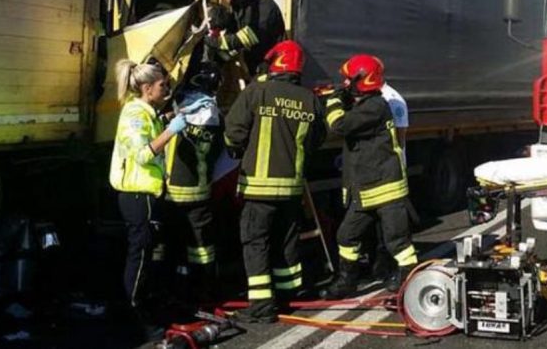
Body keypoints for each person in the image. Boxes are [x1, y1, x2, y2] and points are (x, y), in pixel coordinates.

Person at [224, 40, 326, 323]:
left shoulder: (257, 92)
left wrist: (237, 149)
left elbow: (233, 133)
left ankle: (262, 307)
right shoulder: (310, 99)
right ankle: (288, 297)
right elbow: (318, 139)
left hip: (258, 188)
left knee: (256, 243)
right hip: (291, 189)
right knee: (286, 241)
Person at [109, 59, 203, 339]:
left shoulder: (146, 111)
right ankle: (137, 315)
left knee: (147, 256)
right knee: (139, 258)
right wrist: (171, 130)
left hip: (147, 195)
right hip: (139, 196)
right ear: (148, 88)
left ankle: (145, 307)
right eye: (163, 85)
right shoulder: (135, 113)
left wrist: (164, 121)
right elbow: (142, 154)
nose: (167, 89)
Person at [322, 55, 417, 298]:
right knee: (346, 236)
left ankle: (409, 276)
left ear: (362, 80)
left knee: (397, 241)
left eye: (348, 79)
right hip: (365, 189)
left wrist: (334, 99)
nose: (344, 83)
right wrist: (345, 95)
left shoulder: (375, 107)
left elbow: (339, 125)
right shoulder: (366, 105)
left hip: (384, 187)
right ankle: (346, 281)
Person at [163, 62, 222, 302]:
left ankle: (171, 286)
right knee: (201, 247)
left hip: (172, 191)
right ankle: (204, 289)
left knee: (170, 243)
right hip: (200, 189)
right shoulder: (216, 115)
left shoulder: (180, 106)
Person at [205, 0, 286, 77]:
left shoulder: (264, 7)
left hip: (272, 72)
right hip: (255, 71)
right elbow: (232, 35)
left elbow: (245, 38)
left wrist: (210, 41)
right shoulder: (240, 9)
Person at [369, 81, 409, 282]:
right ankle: (381, 264)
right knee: (378, 224)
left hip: (390, 173)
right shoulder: (374, 98)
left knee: (391, 227)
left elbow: (399, 141)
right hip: (377, 170)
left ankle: (396, 270)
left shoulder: (393, 100)